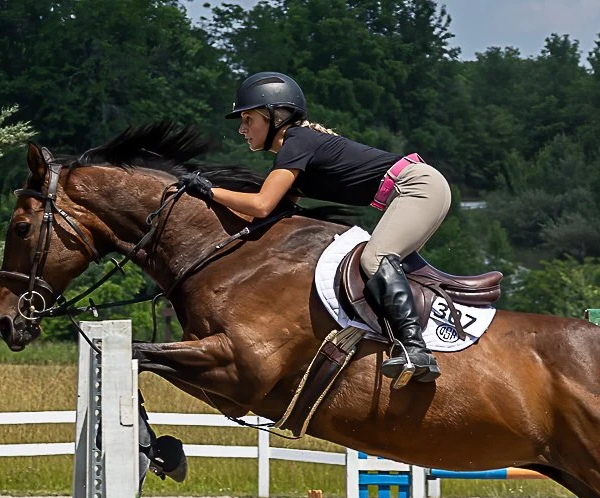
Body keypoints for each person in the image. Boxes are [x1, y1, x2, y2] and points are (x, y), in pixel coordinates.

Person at [178, 72, 449, 386]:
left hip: (417, 187)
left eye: (248, 119)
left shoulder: (296, 142)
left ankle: (416, 349)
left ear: (273, 117)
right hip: (413, 188)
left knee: (374, 260)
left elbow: (262, 204)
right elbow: (266, 218)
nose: (241, 129)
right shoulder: (296, 151)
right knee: (379, 262)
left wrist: (209, 191)